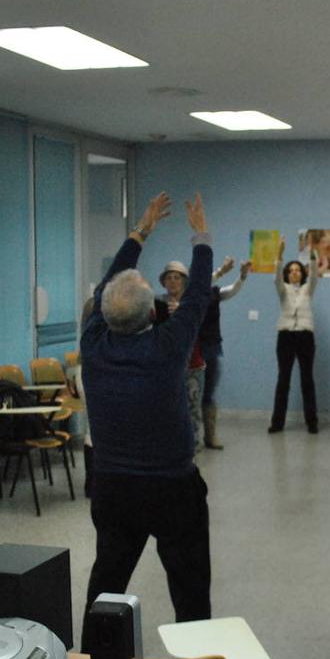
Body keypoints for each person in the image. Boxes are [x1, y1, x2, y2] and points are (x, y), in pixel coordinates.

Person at [80, 191, 215, 635]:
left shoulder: (94, 345)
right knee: (190, 589)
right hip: (173, 489)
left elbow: (106, 286)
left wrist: (141, 230)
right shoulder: (167, 347)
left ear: (102, 313)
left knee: (106, 583)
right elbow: (197, 295)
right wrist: (201, 236)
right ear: (152, 313)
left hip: (114, 487)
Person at [197, 256, 251, 450]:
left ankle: (210, 437)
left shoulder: (213, 293)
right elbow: (198, 286)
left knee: (209, 393)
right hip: (191, 349)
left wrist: (242, 276)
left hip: (211, 346)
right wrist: (221, 271)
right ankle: (190, 437)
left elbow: (232, 290)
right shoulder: (189, 294)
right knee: (189, 394)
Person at [156, 257, 208, 451]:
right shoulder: (158, 303)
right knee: (168, 406)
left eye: (176, 277)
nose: (172, 281)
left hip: (192, 364)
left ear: (184, 280)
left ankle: (194, 443)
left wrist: (181, 312)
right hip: (166, 364)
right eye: (168, 278)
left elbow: (200, 327)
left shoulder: (191, 303)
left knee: (192, 406)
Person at [268, 238, 320, 434]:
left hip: (305, 336)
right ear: (287, 274)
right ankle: (277, 423)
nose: (295, 273)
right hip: (286, 336)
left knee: (307, 379)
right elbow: (276, 279)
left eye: (298, 270)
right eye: (291, 270)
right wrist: (279, 255)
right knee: (283, 379)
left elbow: (314, 275)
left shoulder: (308, 289)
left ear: (302, 273)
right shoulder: (283, 290)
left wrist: (313, 255)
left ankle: (312, 422)